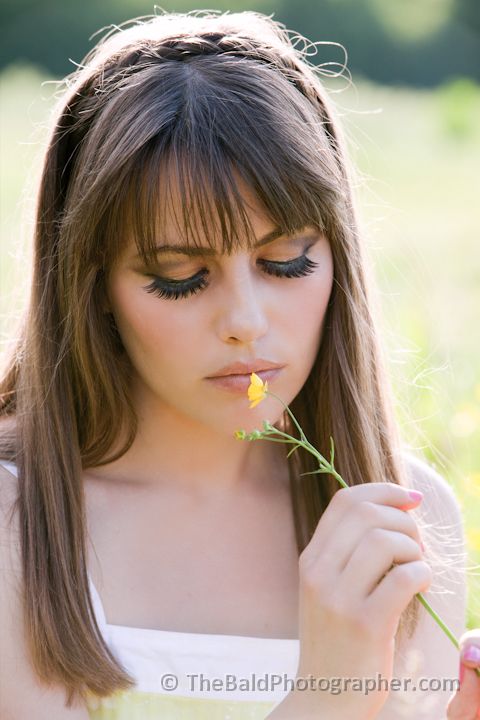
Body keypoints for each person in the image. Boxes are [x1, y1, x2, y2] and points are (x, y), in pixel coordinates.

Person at [0, 9, 478, 720]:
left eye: (286, 263)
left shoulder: (406, 515)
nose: (245, 322)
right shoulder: (18, 522)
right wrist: (326, 693)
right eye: (180, 276)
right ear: (91, 284)